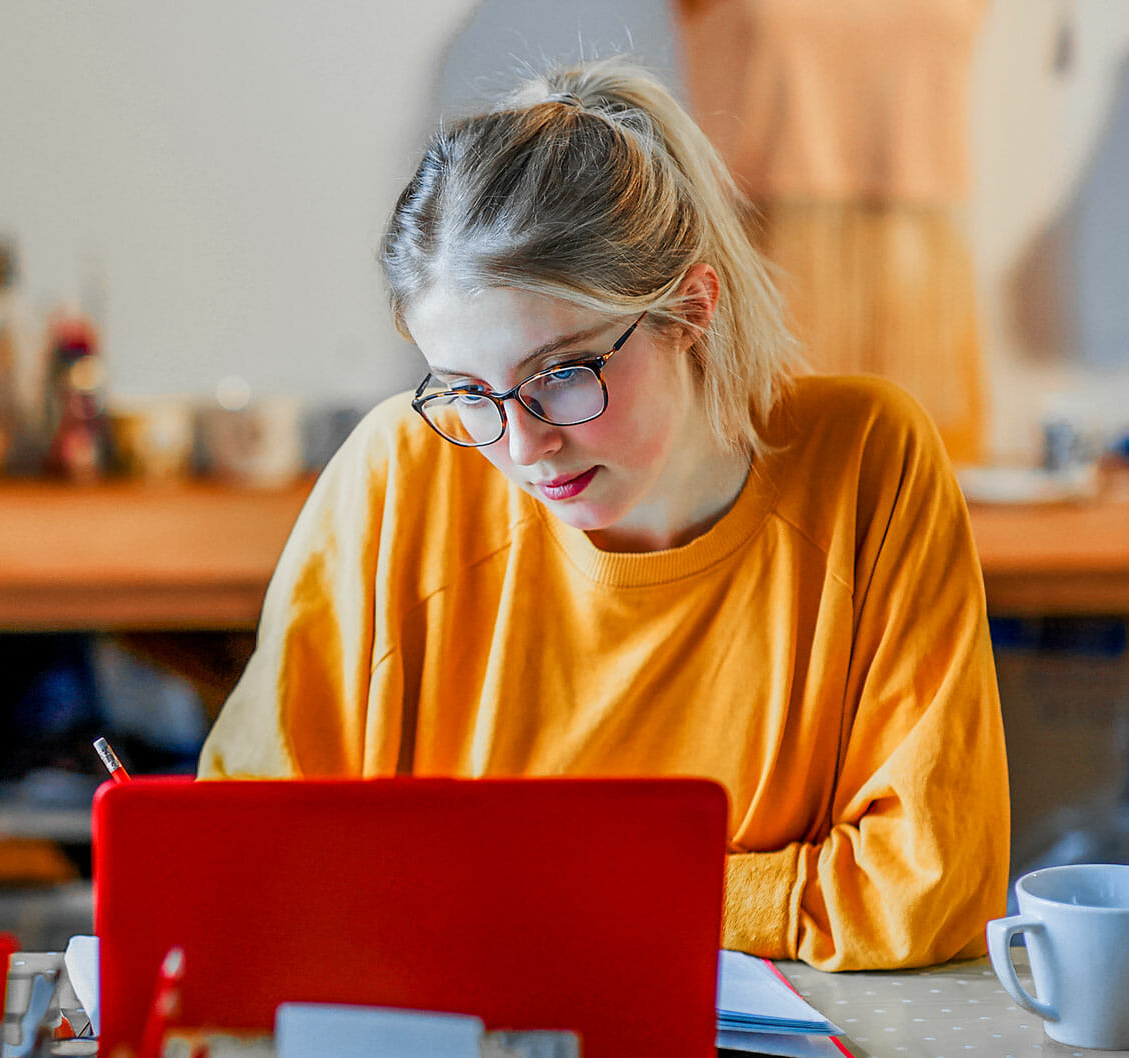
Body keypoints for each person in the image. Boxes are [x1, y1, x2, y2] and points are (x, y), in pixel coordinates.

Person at [197, 57, 1009, 972]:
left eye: (561, 374)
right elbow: (250, 850)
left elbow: (929, 886)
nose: (521, 448)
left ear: (691, 311)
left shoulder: (869, 464)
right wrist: (736, 888)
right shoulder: (400, 473)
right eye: (468, 390)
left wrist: (532, 885)